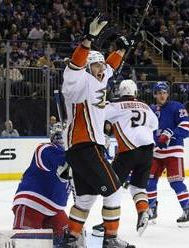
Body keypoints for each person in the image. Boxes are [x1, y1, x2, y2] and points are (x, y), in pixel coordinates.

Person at [62, 14, 136, 248]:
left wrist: (122, 50)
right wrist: (89, 39)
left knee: (85, 199)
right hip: (85, 145)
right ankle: (110, 240)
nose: (101, 68)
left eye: (101, 64)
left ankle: (71, 239)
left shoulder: (101, 77)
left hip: (83, 148)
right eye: (95, 64)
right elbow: (75, 63)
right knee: (114, 192)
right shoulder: (76, 80)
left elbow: (112, 66)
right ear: (87, 67)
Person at [92, 79, 158, 237]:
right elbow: (154, 125)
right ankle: (143, 210)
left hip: (128, 150)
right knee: (138, 187)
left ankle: (107, 224)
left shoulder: (115, 105)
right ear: (135, 92)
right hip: (148, 150)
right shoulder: (146, 106)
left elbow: (96, 114)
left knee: (112, 187)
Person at [146, 81, 189, 227]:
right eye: (159, 92)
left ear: (168, 93)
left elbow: (187, 126)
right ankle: (152, 211)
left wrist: (170, 134)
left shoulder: (177, 107)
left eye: (164, 92)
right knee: (149, 182)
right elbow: (147, 129)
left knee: (176, 182)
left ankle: (188, 212)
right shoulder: (151, 110)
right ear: (154, 94)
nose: (162, 95)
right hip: (156, 152)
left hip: (174, 151)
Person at [12, 129, 70, 247]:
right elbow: (58, 161)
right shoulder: (45, 149)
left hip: (55, 210)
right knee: (25, 244)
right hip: (31, 204)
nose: (61, 140)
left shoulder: (77, 159)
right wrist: (74, 155)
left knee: (67, 240)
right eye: (58, 137)